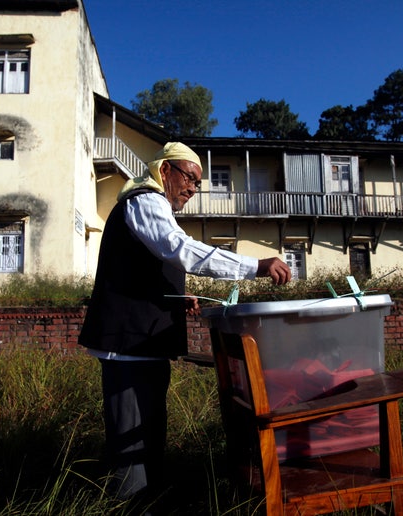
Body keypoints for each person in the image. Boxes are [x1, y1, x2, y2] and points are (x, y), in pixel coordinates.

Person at [78, 142, 291, 502]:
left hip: (144, 346)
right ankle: (130, 506)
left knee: (148, 434)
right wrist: (254, 266)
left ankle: (147, 501)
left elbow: (144, 271)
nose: (193, 188)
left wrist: (178, 298)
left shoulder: (151, 205)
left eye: (198, 183)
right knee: (133, 440)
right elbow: (181, 250)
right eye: (190, 177)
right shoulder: (145, 200)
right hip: (128, 347)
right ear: (165, 171)